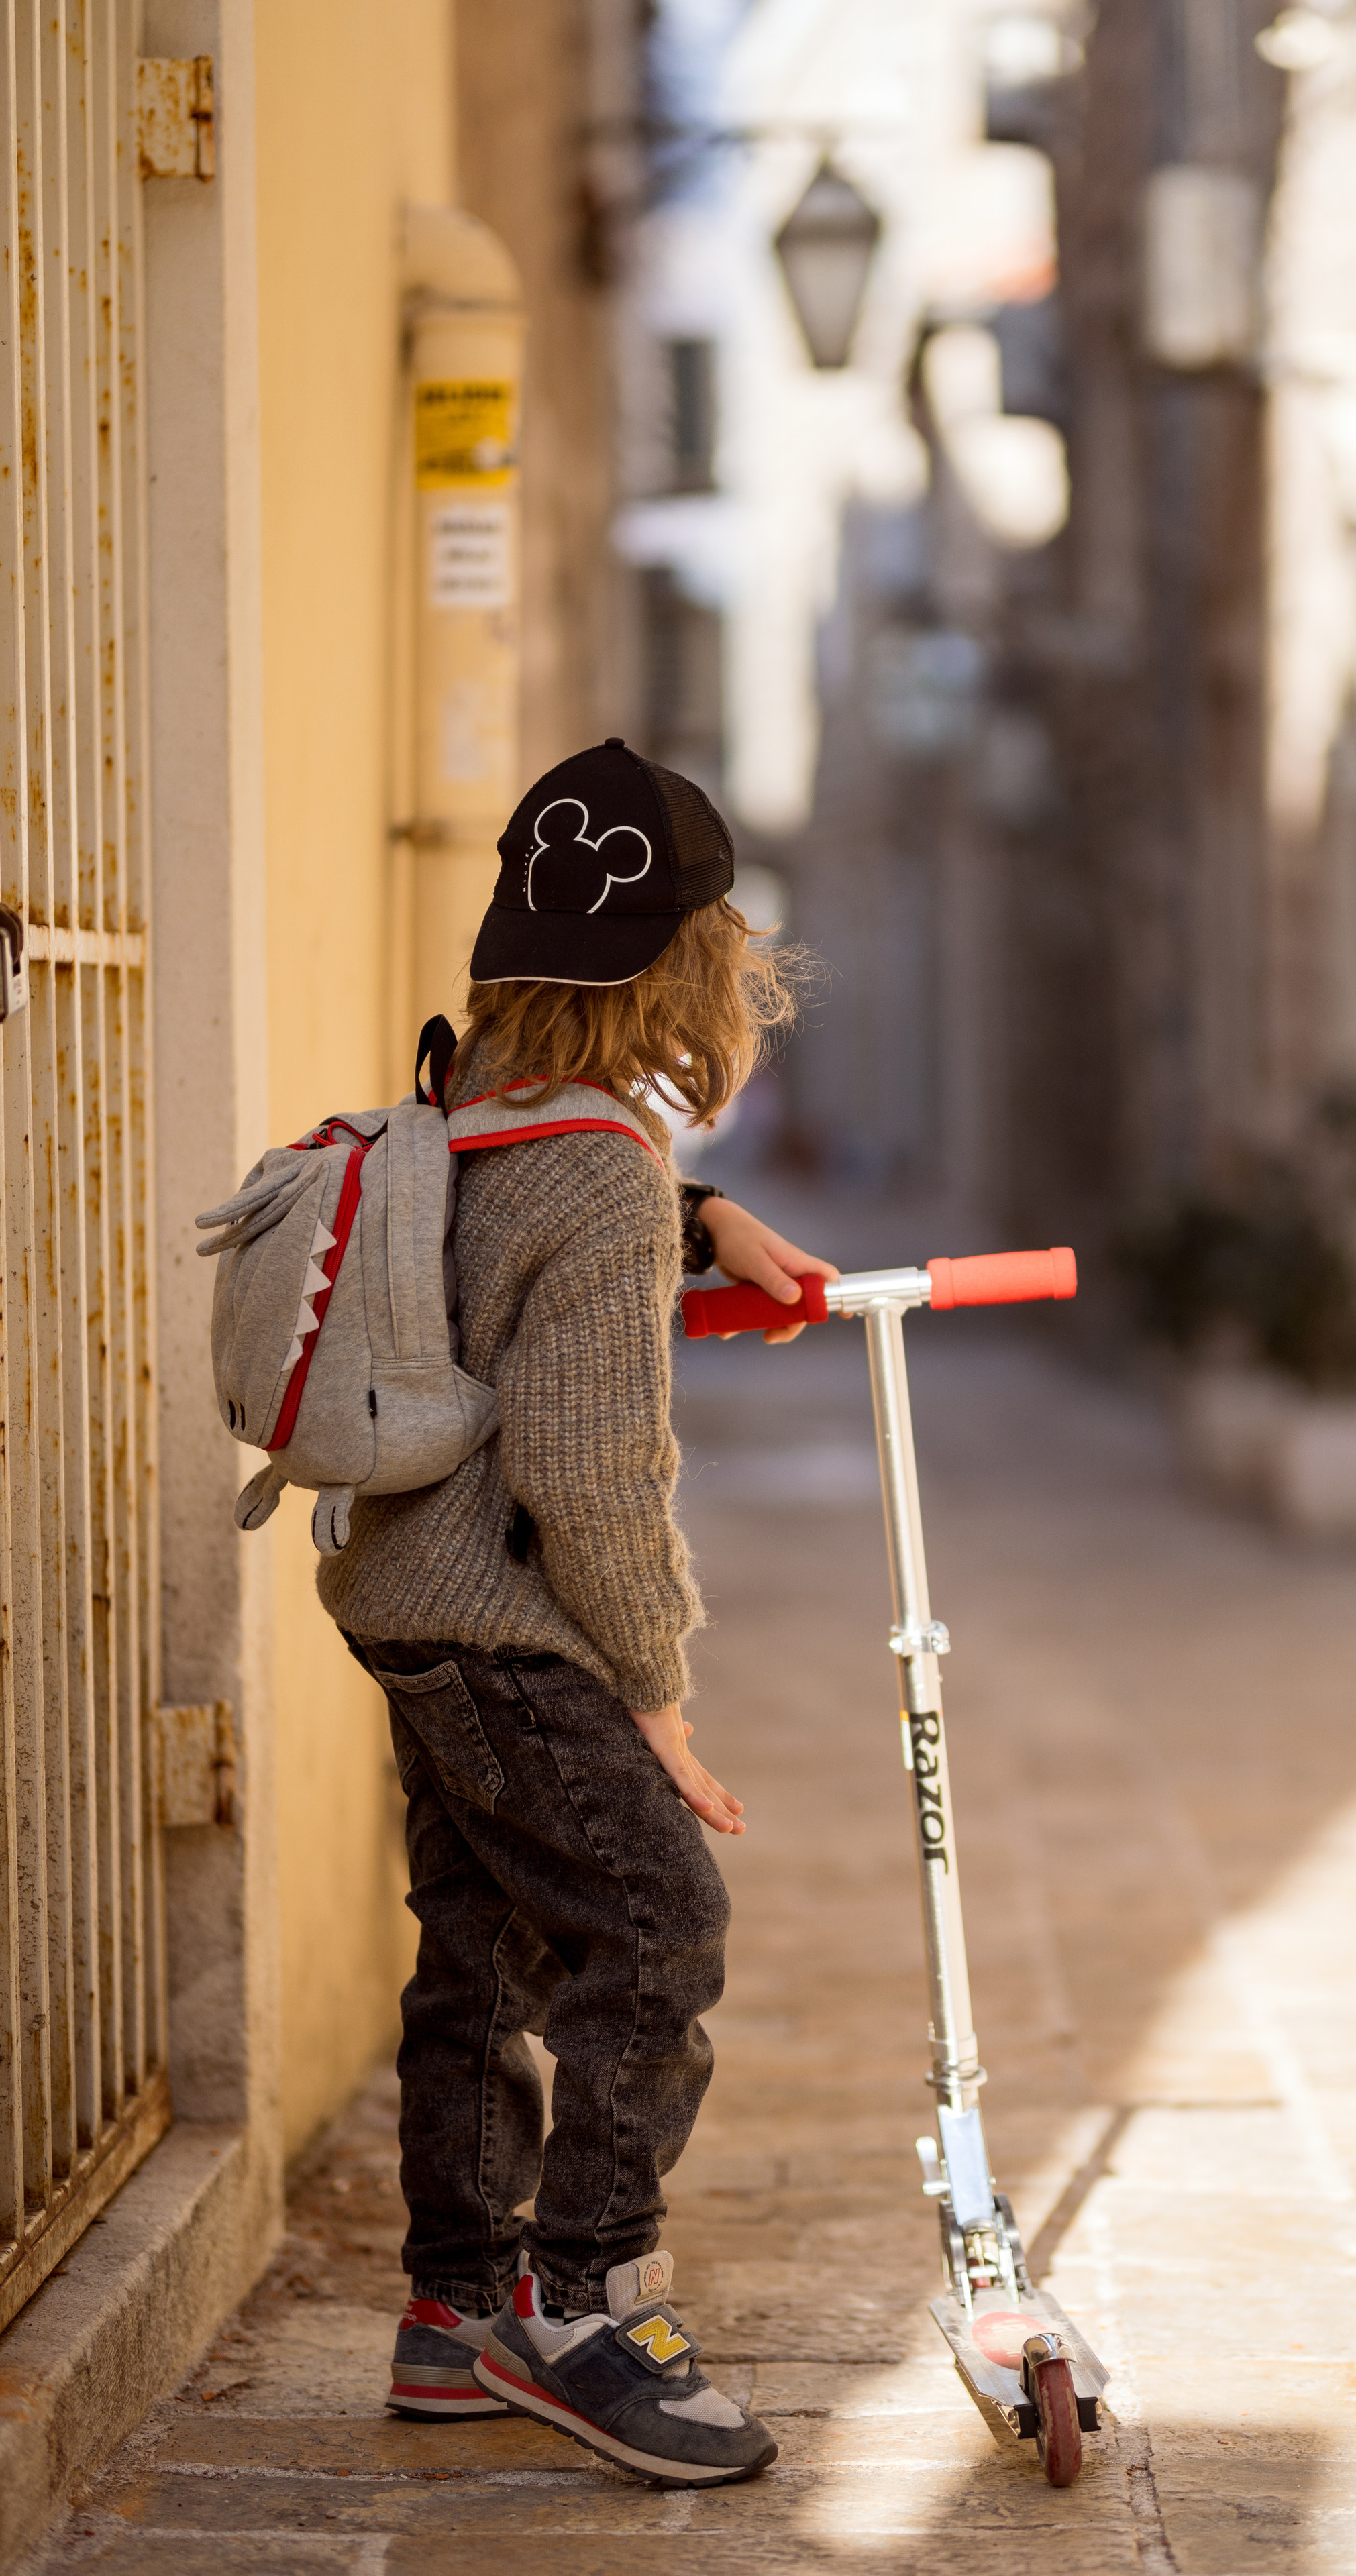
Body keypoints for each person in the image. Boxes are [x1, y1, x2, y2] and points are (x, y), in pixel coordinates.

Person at [319, 738, 834, 2488]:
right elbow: (592, 1479)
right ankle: (585, 2305)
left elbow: (501, 1253)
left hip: (401, 1606)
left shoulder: (464, 1110)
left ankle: (455, 2323)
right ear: (693, 968)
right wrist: (656, 1694)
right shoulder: (597, 1164)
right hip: (510, 1628)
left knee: (479, 1947)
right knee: (659, 1922)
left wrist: (692, 1222)